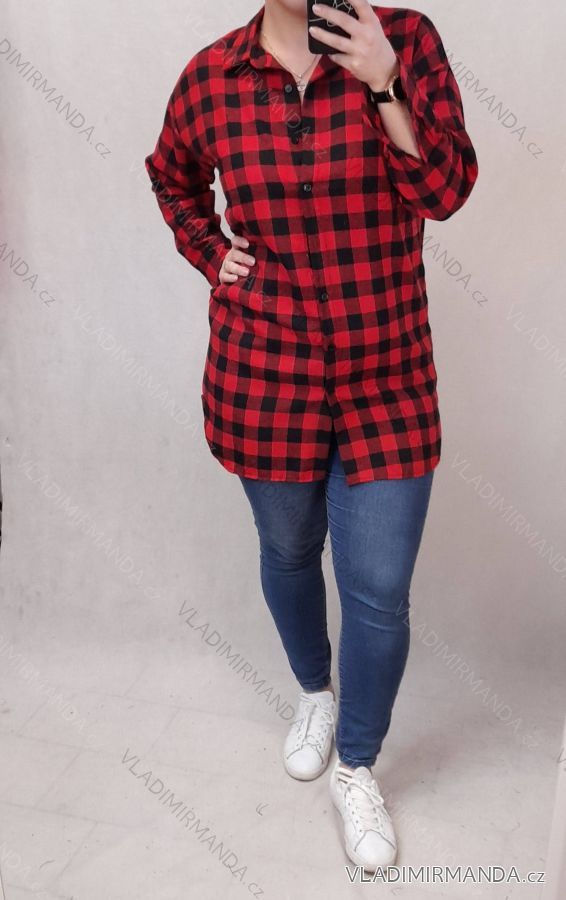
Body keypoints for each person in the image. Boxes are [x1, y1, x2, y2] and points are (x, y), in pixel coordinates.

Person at [145, 0, 478, 872]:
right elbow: (171, 177)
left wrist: (384, 82)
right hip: (266, 374)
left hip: (388, 376)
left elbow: (445, 193)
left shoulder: (405, 41)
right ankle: (313, 692)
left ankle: (357, 767)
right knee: (290, 550)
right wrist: (211, 252)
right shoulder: (212, 77)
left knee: (380, 590)